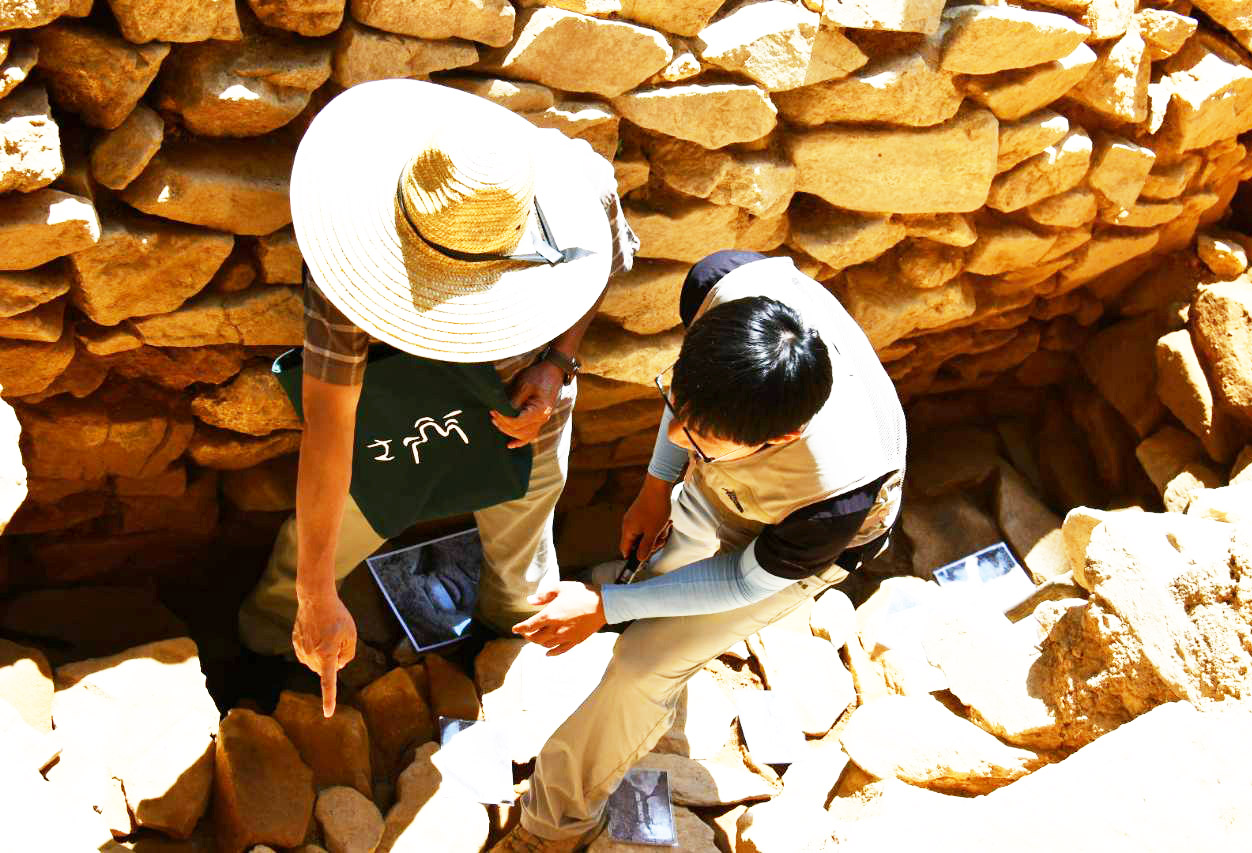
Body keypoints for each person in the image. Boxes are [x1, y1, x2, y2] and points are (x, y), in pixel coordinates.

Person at [236, 78, 637, 716]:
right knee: (313, 554)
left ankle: (503, 642)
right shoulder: (349, 260)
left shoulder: (580, 188)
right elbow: (331, 424)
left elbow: (598, 265)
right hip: (393, 424)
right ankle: (266, 647)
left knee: (523, 561)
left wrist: (557, 363)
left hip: (522, 413)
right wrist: (315, 596)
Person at [492, 249, 907, 851]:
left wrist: (606, 606)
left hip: (791, 542)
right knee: (663, 570)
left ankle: (552, 827)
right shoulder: (725, 287)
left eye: (701, 438)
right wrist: (656, 487)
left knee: (642, 667)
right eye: (680, 410)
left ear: (782, 436)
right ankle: (647, 605)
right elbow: (694, 407)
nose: (677, 435)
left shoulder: (834, 502)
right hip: (737, 483)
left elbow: (741, 581)